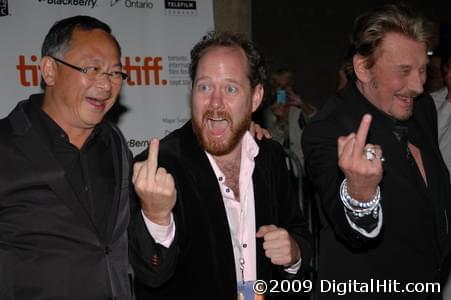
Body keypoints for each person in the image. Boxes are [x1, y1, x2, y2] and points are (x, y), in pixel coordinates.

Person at [0, 16, 176, 299]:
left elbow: (143, 266)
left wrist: (156, 215)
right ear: (49, 70)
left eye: (115, 73)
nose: (106, 85)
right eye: (92, 68)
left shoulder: (115, 145)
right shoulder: (6, 144)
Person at [133, 31, 312, 300]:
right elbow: (151, 275)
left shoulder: (270, 157)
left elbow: (298, 231)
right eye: (204, 87)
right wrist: (157, 218)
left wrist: (294, 252)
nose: (215, 104)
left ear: (255, 97)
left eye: (230, 88)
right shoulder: (158, 168)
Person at [302, 4, 451, 299]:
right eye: (404, 71)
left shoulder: (421, 110)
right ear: (362, 67)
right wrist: (360, 197)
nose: (418, 85)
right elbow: (349, 226)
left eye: (423, 69)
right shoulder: (327, 129)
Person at [430, 53, 451, 182]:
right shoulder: (432, 100)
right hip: (441, 183)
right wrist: (449, 100)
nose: (448, 75)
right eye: (448, 68)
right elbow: (431, 140)